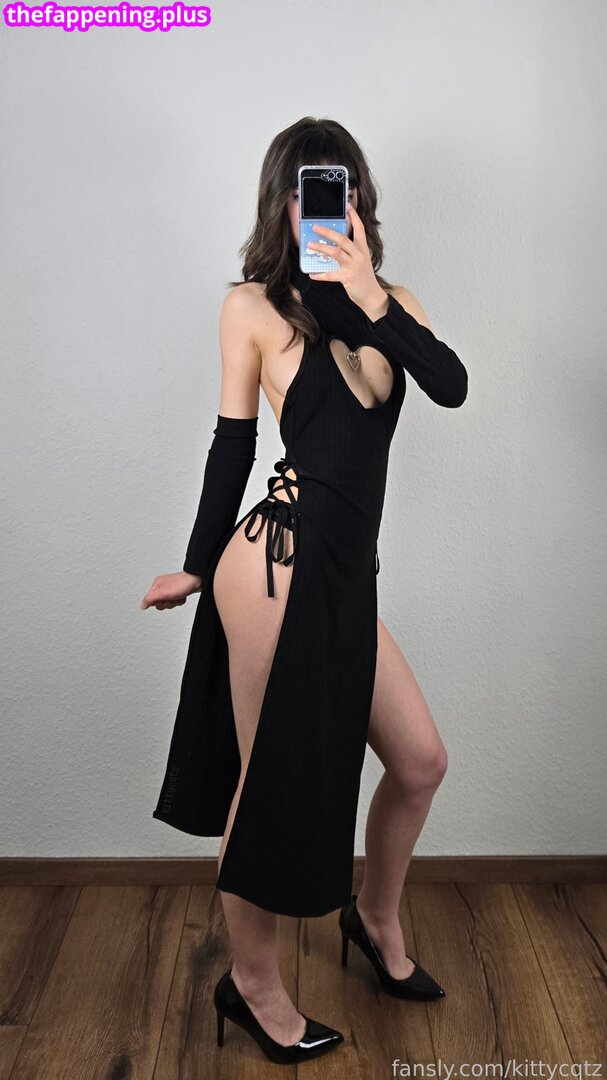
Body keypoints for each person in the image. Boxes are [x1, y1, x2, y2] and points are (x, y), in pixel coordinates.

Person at [141, 116, 468, 1065]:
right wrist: (197, 562)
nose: (322, 204)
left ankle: (374, 918)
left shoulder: (392, 303)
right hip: (274, 565)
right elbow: (232, 445)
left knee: (420, 762)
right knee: (264, 787)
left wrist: (365, 294)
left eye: (339, 186)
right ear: (280, 203)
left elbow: (449, 385)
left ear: (358, 201)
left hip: (345, 575)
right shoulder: (252, 307)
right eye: (305, 189)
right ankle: (251, 986)